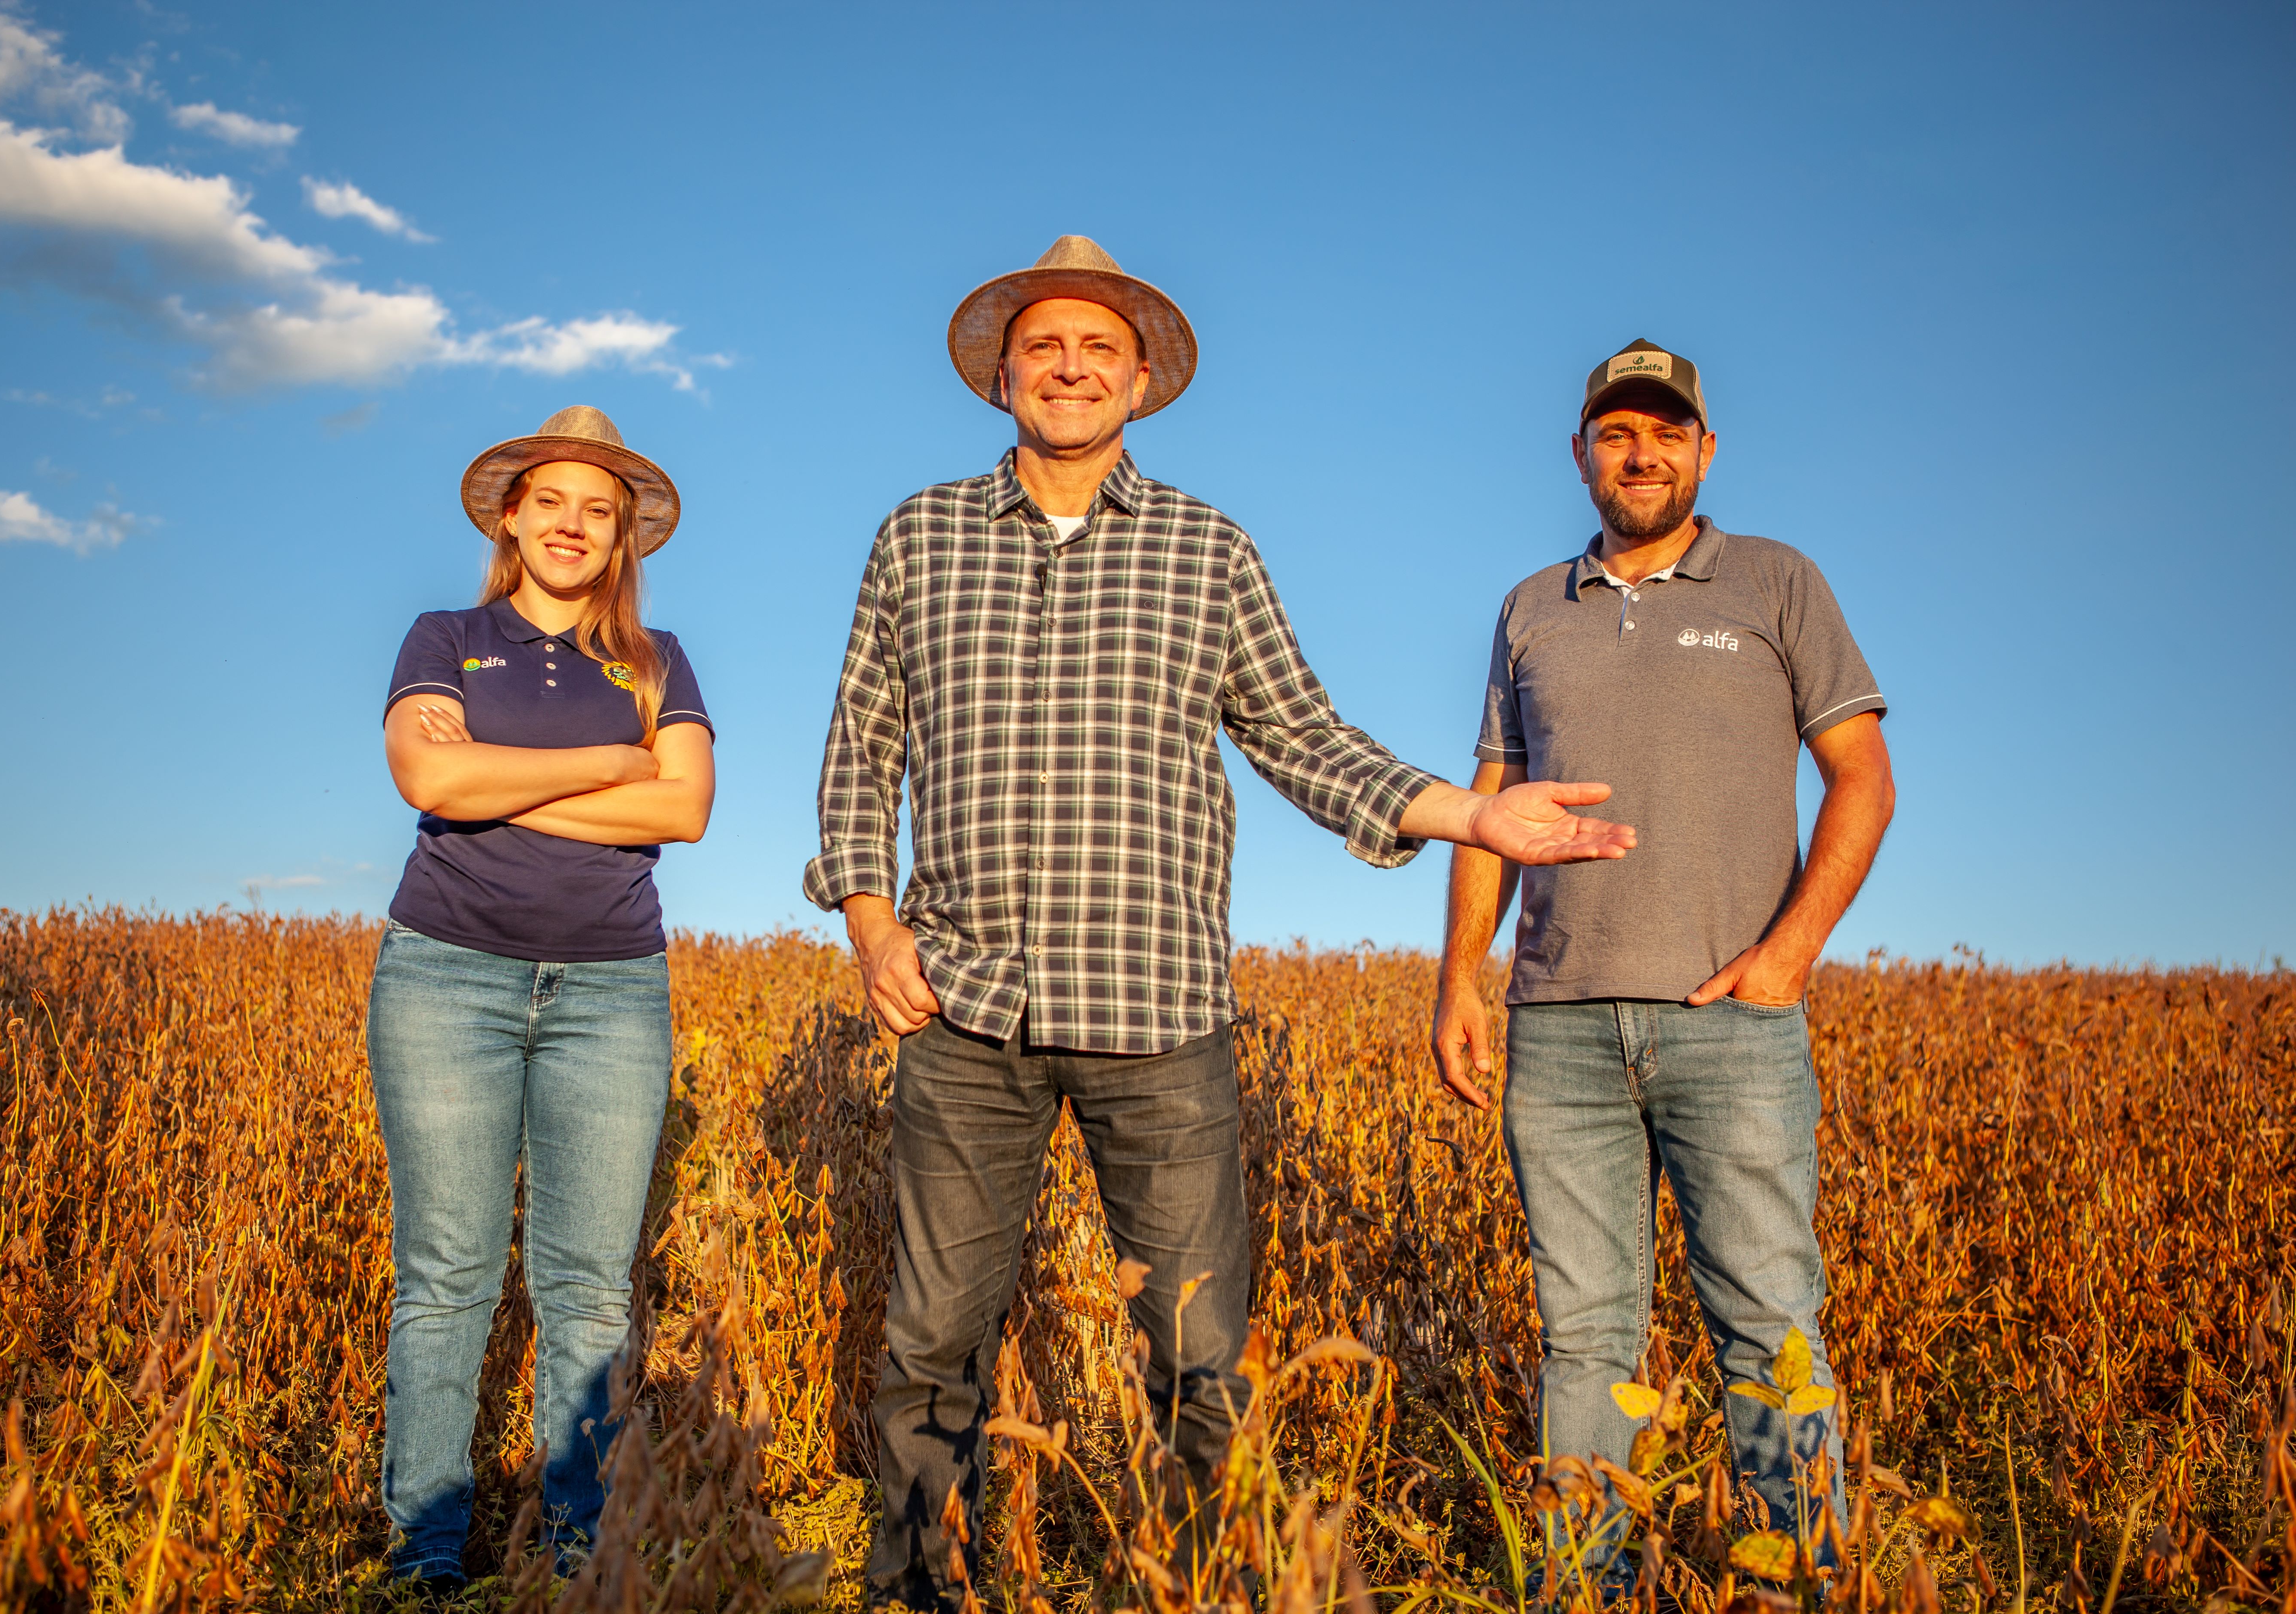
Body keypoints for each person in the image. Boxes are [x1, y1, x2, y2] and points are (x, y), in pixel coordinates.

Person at [805, 235, 1639, 1608]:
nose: (1070, 368)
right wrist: (871, 926)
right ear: (1003, 376)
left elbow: (1303, 735)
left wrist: (1471, 816)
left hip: (1158, 1013)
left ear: (1140, 381)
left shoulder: (1206, 549)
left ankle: (1195, 1591)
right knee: (932, 1343)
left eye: (1099, 349)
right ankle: (920, 1592)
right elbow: (862, 744)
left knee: (1199, 1357)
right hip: (963, 1003)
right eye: (1044, 347)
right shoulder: (920, 535)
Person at [1431, 341, 1896, 1567]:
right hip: (1559, 1030)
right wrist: (1462, 978)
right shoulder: (1532, 607)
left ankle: (1807, 1582)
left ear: (1705, 451)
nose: (1641, 454)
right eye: (1617, 434)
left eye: (1667, 433)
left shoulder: (1777, 582)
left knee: (1769, 1322)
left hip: (1729, 1023)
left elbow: (1863, 777)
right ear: (1580, 454)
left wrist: (1788, 956)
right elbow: (1492, 808)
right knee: (1584, 1336)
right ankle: (1579, 1587)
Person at [366, 406, 716, 1592]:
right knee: (447, 1275)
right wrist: (613, 763)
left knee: (588, 1289)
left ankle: (580, 1552)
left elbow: (684, 809)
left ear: (624, 537)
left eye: (598, 511)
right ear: (512, 518)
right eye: (552, 502)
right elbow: (428, 775)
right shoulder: (445, 636)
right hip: (445, 976)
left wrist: (497, 784)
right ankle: (427, 1550)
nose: (573, 525)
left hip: (611, 991)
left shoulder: (656, 661)